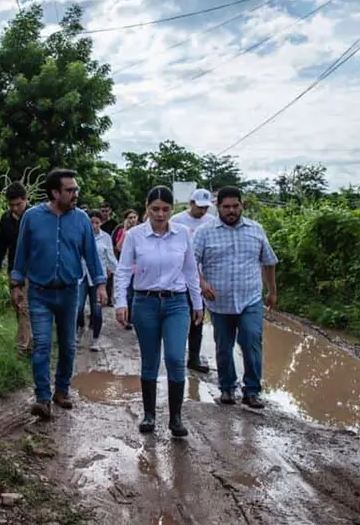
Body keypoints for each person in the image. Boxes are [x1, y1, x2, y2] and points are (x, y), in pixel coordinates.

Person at [10, 168, 107, 419]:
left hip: (69, 292)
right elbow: (21, 253)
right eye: (70, 190)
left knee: (68, 346)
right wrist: (16, 283)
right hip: (39, 293)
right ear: (55, 193)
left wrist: (100, 284)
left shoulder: (82, 220)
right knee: (41, 344)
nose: (75, 193)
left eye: (76, 189)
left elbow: (91, 255)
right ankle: (43, 397)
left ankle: (61, 390)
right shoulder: (31, 217)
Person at [114, 186, 204, 437]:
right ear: (147, 207)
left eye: (165, 209)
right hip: (145, 302)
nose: (161, 214)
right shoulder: (135, 235)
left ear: (172, 209)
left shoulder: (183, 234)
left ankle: (175, 418)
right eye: (155, 209)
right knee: (150, 359)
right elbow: (123, 271)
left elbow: (190, 271)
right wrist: (121, 301)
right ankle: (149, 414)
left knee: (175, 357)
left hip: (176, 302)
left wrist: (197, 303)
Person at [193, 186, 278, 409]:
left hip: (250, 299)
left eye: (235, 206)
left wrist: (272, 291)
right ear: (217, 207)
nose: (231, 210)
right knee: (223, 346)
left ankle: (252, 391)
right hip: (219, 302)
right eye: (226, 207)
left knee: (251, 342)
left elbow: (269, 261)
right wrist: (202, 284)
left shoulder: (256, 229)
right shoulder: (205, 232)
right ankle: (227, 388)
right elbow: (190, 263)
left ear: (242, 205)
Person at [170, 188, 218, 374]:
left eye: (206, 207)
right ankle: (176, 355)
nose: (203, 211)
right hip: (179, 279)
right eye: (200, 207)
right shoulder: (177, 221)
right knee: (181, 318)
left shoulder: (211, 223)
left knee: (197, 319)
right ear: (191, 203)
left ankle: (194, 357)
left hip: (200, 279)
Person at [0, 182, 32, 356]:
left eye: (18, 204)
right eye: (11, 205)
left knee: (25, 307)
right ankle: (31, 345)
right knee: (17, 306)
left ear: (26, 200)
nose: (15, 209)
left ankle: (21, 349)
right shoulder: (6, 219)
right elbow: (1, 245)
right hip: (14, 269)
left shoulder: (35, 216)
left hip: (32, 270)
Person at [77, 209, 118, 352]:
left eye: (97, 222)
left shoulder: (105, 238)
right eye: (91, 222)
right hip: (81, 276)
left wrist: (117, 273)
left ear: (101, 223)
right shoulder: (80, 235)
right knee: (79, 307)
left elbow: (111, 257)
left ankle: (95, 338)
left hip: (98, 279)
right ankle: (80, 327)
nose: (94, 225)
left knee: (97, 310)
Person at [112, 209, 140, 330]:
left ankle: (135, 318)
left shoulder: (142, 230)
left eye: (134, 217)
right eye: (130, 218)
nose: (133, 220)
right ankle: (127, 318)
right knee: (128, 294)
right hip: (127, 266)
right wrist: (124, 232)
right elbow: (118, 247)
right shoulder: (121, 231)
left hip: (139, 268)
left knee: (135, 294)